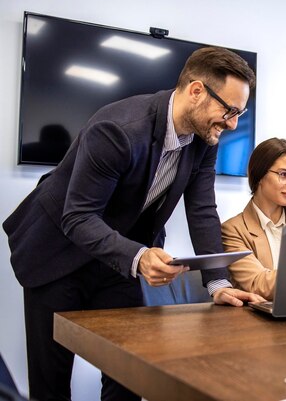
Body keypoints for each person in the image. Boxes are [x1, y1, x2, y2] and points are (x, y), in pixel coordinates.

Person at [2, 47, 265, 401]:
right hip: (57, 251)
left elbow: (202, 208)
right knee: (50, 384)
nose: (233, 123)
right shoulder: (119, 129)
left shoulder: (205, 138)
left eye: (240, 113)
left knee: (129, 373)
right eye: (229, 110)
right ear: (197, 91)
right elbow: (77, 216)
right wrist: (140, 257)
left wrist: (217, 281)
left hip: (119, 257)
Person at [222, 138, 286, 300]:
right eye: (284, 175)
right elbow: (257, 284)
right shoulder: (233, 230)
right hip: (259, 321)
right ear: (259, 175)